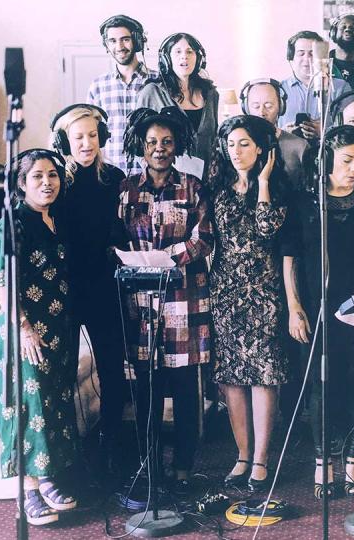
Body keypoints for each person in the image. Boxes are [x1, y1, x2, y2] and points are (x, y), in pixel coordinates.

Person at [282, 125, 354, 498]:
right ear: (326, 160)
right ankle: (323, 462)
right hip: (318, 308)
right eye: (347, 160)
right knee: (321, 384)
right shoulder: (305, 202)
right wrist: (294, 307)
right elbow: (290, 260)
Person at [118, 107, 214, 496]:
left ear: (178, 146)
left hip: (184, 301)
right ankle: (150, 464)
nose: (159, 149)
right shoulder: (125, 189)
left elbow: (204, 236)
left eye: (167, 142)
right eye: (152, 142)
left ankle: (185, 467)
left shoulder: (193, 187)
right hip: (140, 304)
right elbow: (116, 236)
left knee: (186, 390)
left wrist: (169, 258)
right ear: (142, 146)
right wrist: (129, 258)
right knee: (147, 389)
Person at [0, 149, 78, 526]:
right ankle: (29, 491)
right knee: (30, 406)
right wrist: (24, 329)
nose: (47, 183)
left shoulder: (55, 218)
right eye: (38, 176)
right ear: (22, 183)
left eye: (53, 175)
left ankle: (48, 479)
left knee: (52, 400)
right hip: (25, 332)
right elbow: (2, 283)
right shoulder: (12, 223)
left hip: (56, 329)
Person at [207, 115, 289, 492]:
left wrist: (264, 183)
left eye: (244, 144)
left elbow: (266, 229)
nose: (236, 152)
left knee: (263, 375)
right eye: (230, 145)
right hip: (226, 292)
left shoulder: (276, 186)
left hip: (264, 293)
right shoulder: (218, 188)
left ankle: (261, 458)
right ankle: (242, 454)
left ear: (260, 148)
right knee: (232, 377)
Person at [49, 104, 128, 484]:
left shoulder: (113, 178)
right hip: (64, 290)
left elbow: (121, 230)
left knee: (113, 370)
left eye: (93, 136)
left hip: (103, 287)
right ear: (64, 140)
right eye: (78, 137)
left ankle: (111, 450)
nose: (87, 143)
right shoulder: (54, 181)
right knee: (61, 373)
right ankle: (65, 458)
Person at [137, 32, 221, 175]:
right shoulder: (151, 92)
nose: (184, 56)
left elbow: (213, 140)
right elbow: (138, 143)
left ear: (199, 58)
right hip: (167, 180)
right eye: (177, 52)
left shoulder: (211, 94)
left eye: (190, 52)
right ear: (166, 59)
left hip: (206, 182)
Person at [87, 14, 155, 177]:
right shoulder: (98, 86)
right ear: (106, 45)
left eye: (125, 39)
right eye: (112, 41)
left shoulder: (159, 82)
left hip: (151, 176)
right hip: (110, 177)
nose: (119, 46)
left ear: (137, 41)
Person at [280, 31, 352, 140]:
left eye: (312, 53)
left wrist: (326, 131)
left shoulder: (340, 88)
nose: (307, 59)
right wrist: (283, 133)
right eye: (301, 53)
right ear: (291, 59)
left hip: (329, 152)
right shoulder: (278, 90)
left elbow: (350, 126)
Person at [241, 78, 309, 190]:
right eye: (256, 106)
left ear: (281, 107)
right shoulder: (235, 146)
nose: (261, 113)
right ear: (246, 108)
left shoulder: (299, 147)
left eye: (268, 106)